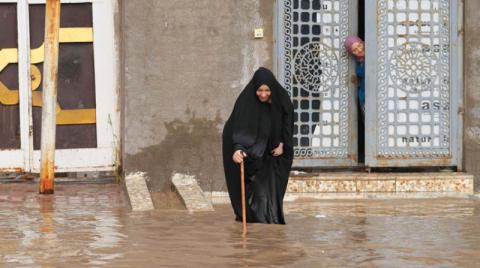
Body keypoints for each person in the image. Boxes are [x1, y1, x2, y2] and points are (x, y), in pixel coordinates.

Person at [222, 67, 294, 224]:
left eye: (267, 90)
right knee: (250, 187)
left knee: (271, 185)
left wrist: (282, 143)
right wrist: (238, 148)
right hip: (247, 148)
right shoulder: (245, 102)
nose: (263, 94)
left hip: (272, 150)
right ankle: (251, 217)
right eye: (259, 90)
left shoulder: (281, 99)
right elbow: (240, 128)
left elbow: (287, 123)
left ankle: (268, 218)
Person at [344, 35, 366, 119]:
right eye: (354, 50)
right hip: (364, 96)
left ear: (362, 42)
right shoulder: (359, 61)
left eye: (359, 45)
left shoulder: (373, 55)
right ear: (351, 52)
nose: (359, 50)